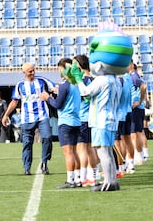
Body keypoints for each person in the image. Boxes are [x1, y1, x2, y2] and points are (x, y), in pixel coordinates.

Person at [69, 23, 133, 191]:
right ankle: (112, 180)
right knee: (108, 151)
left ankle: (109, 182)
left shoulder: (102, 79)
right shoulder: (116, 81)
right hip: (111, 118)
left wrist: (77, 79)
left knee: (102, 152)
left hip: (100, 120)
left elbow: (85, 92)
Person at [2, 62, 54, 175]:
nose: (33, 73)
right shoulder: (20, 85)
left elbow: (54, 88)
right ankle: (27, 167)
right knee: (27, 143)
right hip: (26, 118)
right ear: (24, 72)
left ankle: (44, 162)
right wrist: (6, 115)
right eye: (30, 71)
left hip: (42, 116)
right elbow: (14, 101)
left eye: (33, 70)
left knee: (47, 137)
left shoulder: (42, 81)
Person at [40, 58, 82, 188]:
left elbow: (58, 104)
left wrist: (48, 98)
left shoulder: (65, 85)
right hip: (76, 120)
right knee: (74, 151)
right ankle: (78, 178)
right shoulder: (75, 84)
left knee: (68, 152)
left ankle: (70, 180)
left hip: (66, 121)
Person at [73, 54, 98, 187]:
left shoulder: (82, 81)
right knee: (90, 148)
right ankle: (93, 176)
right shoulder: (94, 79)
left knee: (81, 148)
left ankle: (82, 177)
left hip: (82, 117)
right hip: (92, 117)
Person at [129, 61, 149, 165]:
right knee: (140, 132)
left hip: (135, 108)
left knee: (133, 134)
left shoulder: (133, 77)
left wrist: (140, 101)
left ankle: (138, 156)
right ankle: (145, 154)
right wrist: (144, 100)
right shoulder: (136, 76)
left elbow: (143, 86)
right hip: (139, 108)